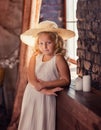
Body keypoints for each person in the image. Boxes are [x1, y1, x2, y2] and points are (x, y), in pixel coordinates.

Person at [18, 20, 75, 130]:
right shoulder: (35, 57)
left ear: (56, 42)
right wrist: (44, 89)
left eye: (48, 42)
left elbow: (66, 80)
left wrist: (45, 84)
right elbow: (31, 78)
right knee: (29, 122)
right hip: (32, 94)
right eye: (41, 43)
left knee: (43, 122)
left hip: (46, 98)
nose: (44, 46)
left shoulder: (58, 58)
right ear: (37, 44)